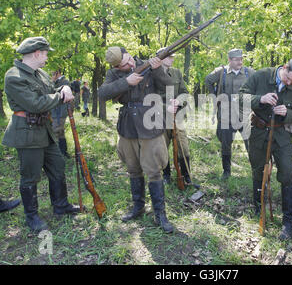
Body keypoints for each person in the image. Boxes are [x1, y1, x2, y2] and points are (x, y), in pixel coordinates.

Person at [2, 36, 82, 232]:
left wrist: (63, 87)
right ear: (37, 53)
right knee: (30, 176)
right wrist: (61, 95)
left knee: (58, 166)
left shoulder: (41, 74)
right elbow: (35, 104)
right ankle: (32, 216)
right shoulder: (14, 77)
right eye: (45, 53)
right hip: (27, 133)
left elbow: (52, 89)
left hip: (45, 130)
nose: (47, 57)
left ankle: (60, 205)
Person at [98, 46, 174, 233]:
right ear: (117, 66)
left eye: (130, 58)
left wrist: (157, 69)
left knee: (154, 169)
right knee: (133, 168)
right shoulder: (114, 74)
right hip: (128, 126)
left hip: (150, 123)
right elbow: (102, 93)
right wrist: (126, 82)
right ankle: (138, 207)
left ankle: (160, 214)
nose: (131, 63)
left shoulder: (148, 65)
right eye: (125, 64)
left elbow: (168, 86)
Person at [239, 56, 292, 240]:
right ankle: (258, 207)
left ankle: (288, 220)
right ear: (284, 67)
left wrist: (287, 113)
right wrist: (260, 99)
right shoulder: (261, 75)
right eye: (287, 79)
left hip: (282, 134)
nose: (289, 83)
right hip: (259, 132)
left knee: (287, 173)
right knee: (258, 169)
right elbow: (240, 97)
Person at [205, 49, 255, 179]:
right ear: (230, 60)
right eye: (236, 59)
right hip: (226, 114)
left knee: (251, 143)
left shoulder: (249, 72)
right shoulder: (221, 72)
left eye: (241, 59)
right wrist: (215, 97)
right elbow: (208, 80)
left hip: (245, 115)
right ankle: (226, 171)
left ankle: (255, 170)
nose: (240, 62)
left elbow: (258, 85)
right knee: (226, 144)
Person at [156, 48, 191, 185]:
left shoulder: (176, 73)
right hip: (160, 118)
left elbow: (184, 92)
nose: (172, 59)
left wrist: (179, 101)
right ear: (161, 58)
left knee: (183, 147)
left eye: (172, 57)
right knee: (162, 148)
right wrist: (166, 108)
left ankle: (185, 175)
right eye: (169, 57)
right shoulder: (152, 75)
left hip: (177, 117)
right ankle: (166, 175)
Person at [51, 70, 70, 158]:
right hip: (56, 111)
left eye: (53, 73)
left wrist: (53, 82)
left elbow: (58, 95)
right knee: (60, 131)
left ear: (57, 73)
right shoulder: (56, 82)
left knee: (56, 131)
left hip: (60, 111)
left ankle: (60, 153)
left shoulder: (64, 82)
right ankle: (63, 152)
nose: (51, 75)